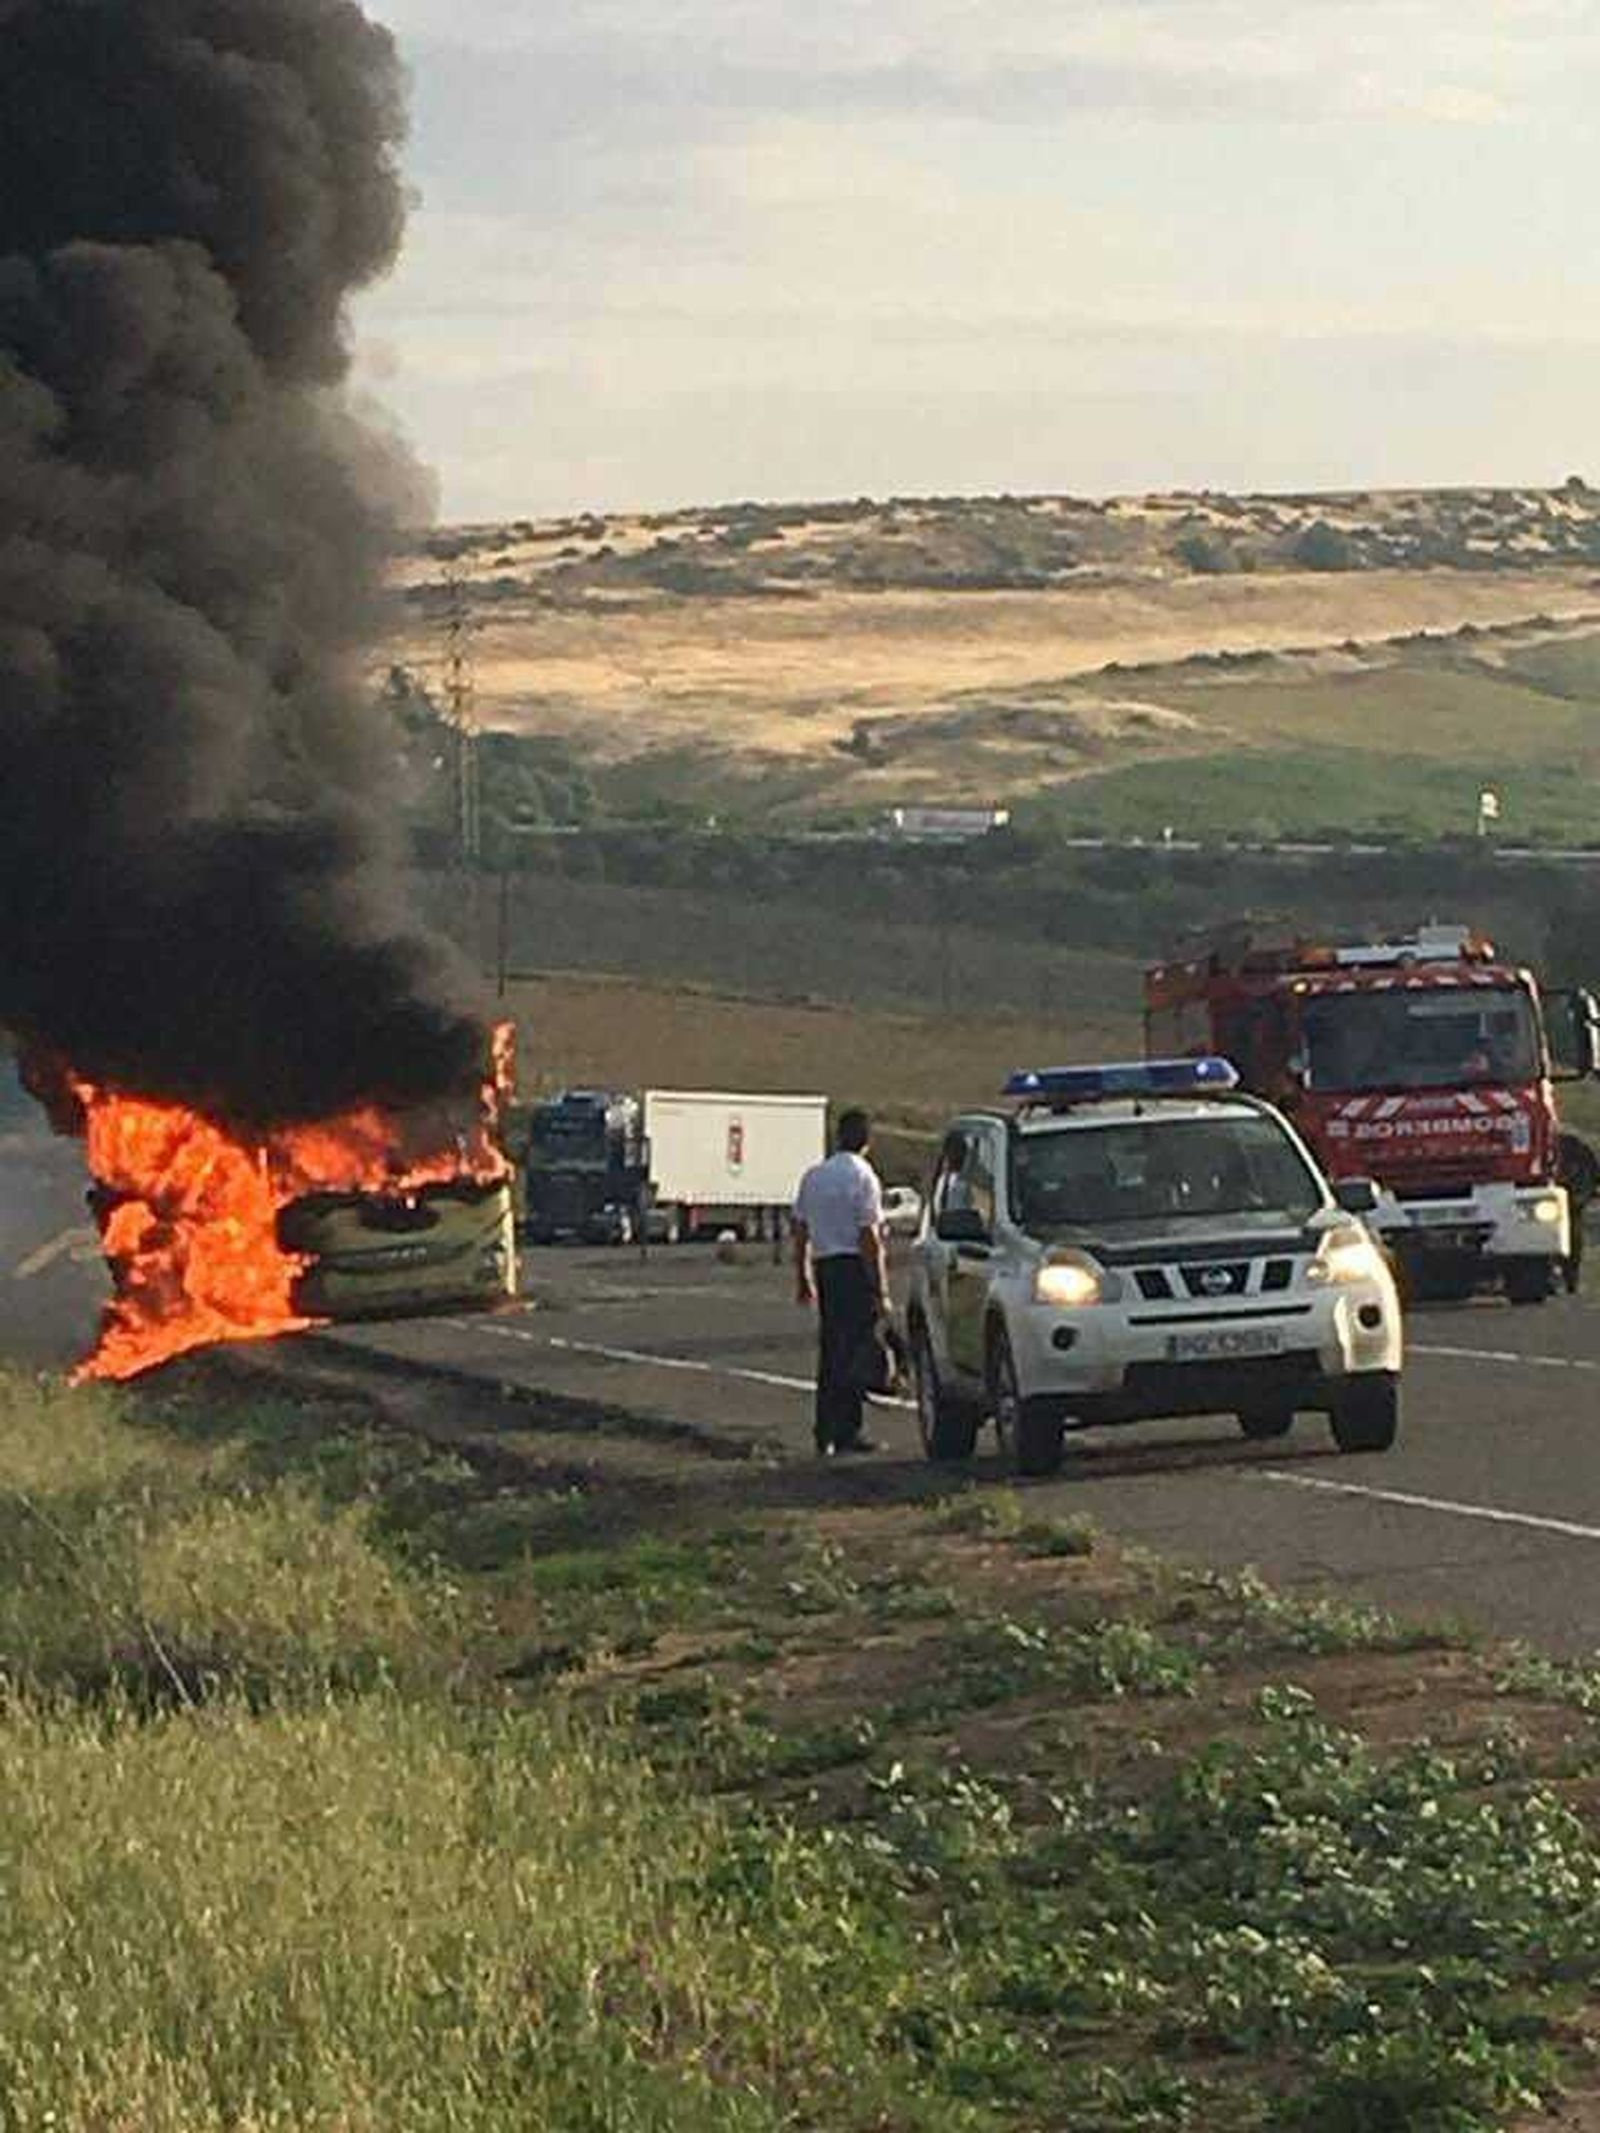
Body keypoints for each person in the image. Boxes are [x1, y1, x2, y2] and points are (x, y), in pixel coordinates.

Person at [793, 1108, 890, 1456]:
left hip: (825, 1265)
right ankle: (849, 1428)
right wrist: (881, 1288)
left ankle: (825, 1429)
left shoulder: (814, 1176)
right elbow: (870, 1237)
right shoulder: (863, 1177)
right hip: (853, 1267)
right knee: (855, 1349)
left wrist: (802, 1275)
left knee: (831, 1349)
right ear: (866, 1141)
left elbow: (801, 1230)